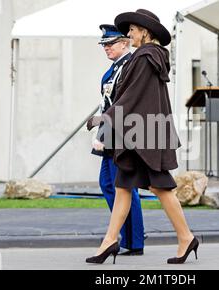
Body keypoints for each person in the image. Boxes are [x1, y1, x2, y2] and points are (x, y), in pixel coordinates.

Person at [86, 9, 198, 264]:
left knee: (161, 187)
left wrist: (105, 118)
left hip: (146, 137)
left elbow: (132, 96)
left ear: (145, 32)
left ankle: (186, 237)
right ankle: (110, 241)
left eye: (133, 30)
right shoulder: (147, 56)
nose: (129, 34)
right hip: (140, 133)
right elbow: (135, 97)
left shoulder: (147, 56)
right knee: (123, 186)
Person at [89, 24, 145, 256]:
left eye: (110, 44)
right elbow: (107, 104)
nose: (106, 48)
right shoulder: (115, 68)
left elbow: (123, 106)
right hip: (111, 133)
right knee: (109, 184)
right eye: (104, 44)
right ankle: (126, 236)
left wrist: (105, 134)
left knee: (124, 187)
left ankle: (133, 241)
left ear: (125, 43)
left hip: (121, 136)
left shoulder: (129, 67)